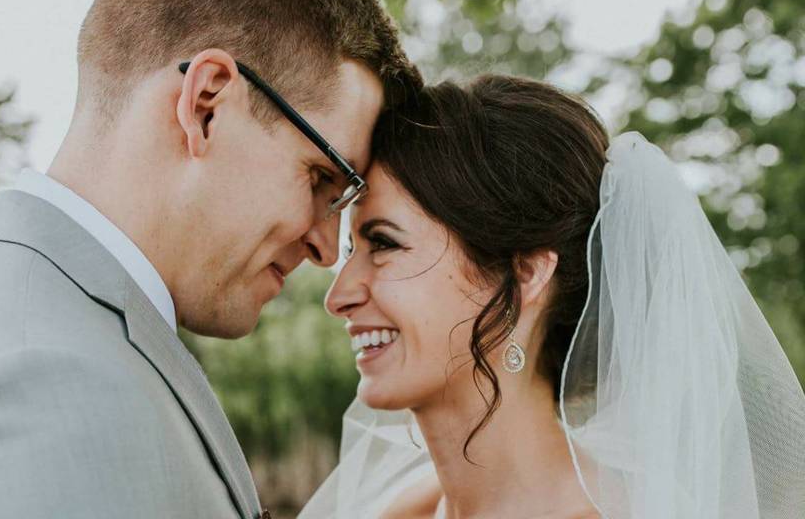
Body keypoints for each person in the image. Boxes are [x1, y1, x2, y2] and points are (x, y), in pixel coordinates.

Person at [0, 0, 419, 519]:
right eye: (318, 180)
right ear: (206, 104)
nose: (326, 245)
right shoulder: (34, 389)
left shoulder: (25, 334)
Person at [302, 75, 805, 518]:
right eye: (352, 248)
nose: (339, 296)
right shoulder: (395, 512)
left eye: (384, 244)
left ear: (525, 274)